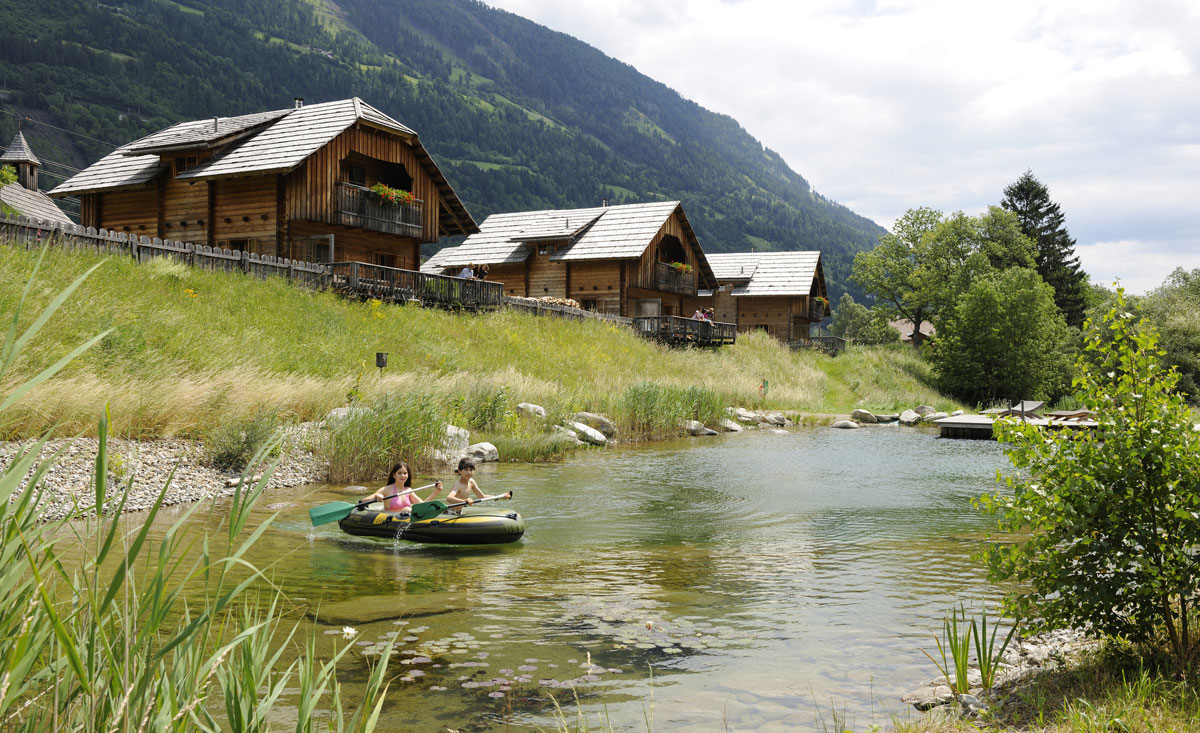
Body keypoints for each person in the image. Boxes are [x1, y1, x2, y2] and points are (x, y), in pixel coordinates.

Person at [427, 457, 505, 514]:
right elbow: (449, 498)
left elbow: (482, 497)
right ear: (460, 471)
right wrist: (464, 501)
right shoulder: (458, 484)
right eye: (466, 470)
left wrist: (499, 496)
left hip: (459, 512)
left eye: (471, 470)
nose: (469, 472)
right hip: (450, 513)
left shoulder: (472, 482)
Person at [362, 461, 440, 513]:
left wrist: (436, 492)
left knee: (407, 509)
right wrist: (377, 496)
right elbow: (364, 501)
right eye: (399, 473)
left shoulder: (409, 490)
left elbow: (422, 506)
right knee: (407, 509)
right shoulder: (386, 490)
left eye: (405, 473)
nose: (402, 476)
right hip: (389, 519)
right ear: (394, 475)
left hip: (406, 518)